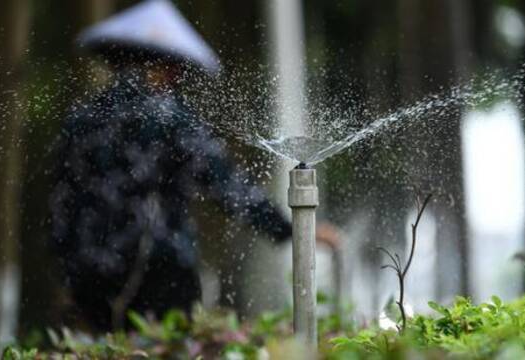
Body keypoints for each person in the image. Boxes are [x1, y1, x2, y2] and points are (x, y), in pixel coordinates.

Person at [49, 0, 339, 330]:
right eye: (175, 68)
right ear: (161, 66)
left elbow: (61, 205)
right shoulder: (170, 116)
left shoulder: (82, 118)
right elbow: (226, 184)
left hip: (89, 274)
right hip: (158, 273)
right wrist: (290, 228)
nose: (176, 78)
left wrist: (68, 274)